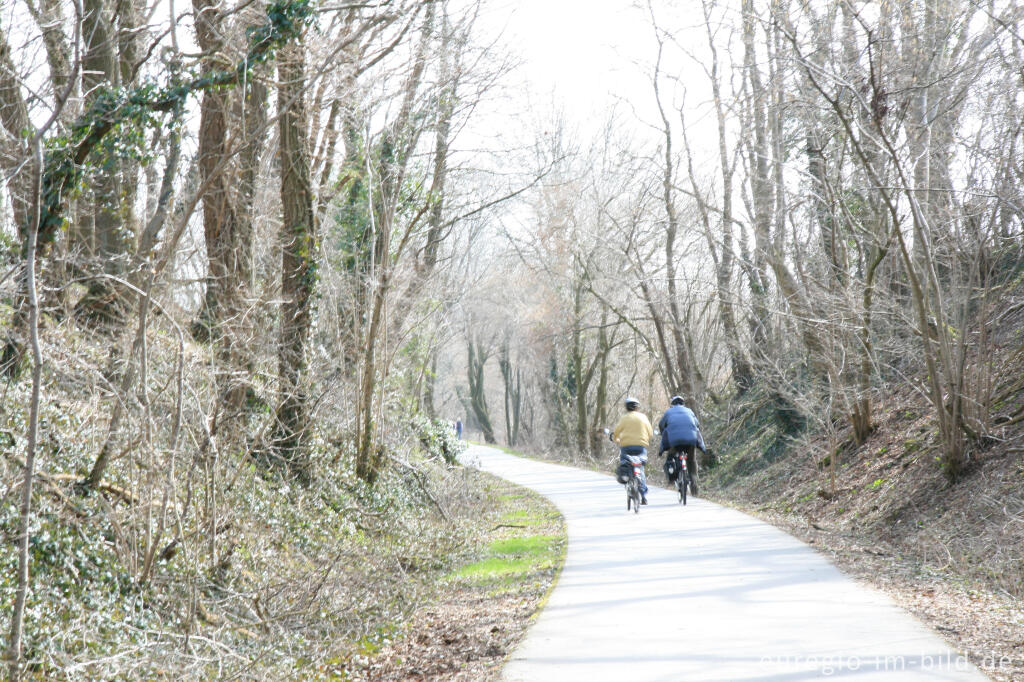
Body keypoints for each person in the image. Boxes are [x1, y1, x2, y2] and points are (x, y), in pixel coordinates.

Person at [658, 396, 707, 495]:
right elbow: (697, 425)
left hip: (675, 441)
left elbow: (661, 425)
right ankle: (694, 482)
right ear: (683, 403)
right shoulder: (689, 411)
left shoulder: (668, 412)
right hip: (691, 440)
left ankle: (672, 478)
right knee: (691, 460)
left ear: (672, 404)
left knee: (671, 457)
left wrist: (663, 432)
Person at [612, 397, 654, 504]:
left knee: (625, 463)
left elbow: (616, 433)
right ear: (637, 407)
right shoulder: (643, 417)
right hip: (641, 446)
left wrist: (616, 439)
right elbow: (650, 433)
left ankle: (628, 481)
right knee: (640, 468)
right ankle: (643, 495)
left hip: (626, 446)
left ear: (626, 407)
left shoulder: (624, 418)